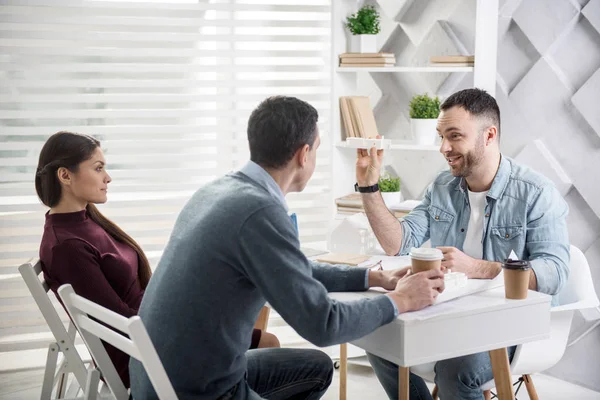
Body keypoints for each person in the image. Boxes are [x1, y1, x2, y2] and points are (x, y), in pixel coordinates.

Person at [130, 96, 445, 400]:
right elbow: (323, 324)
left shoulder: (220, 190)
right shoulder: (260, 211)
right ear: (303, 154)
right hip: (200, 390)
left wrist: (372, 278)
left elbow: (293, 271)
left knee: (316, 368)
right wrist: (401, 299)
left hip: (161, 376)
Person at [356, 88, 570, 400]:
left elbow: (555, 272)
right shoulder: (442, 186)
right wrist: (369, 186)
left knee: (458, 370)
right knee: (379, 336)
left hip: (510, 325)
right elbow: (397, 243)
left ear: (489, 135)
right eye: (441, 136)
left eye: (455, 136)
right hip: (449, 313)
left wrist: (479, 268)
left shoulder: (536, 193)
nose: (444, 147)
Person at [36, 131, 279, 388]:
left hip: (152, 333)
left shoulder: (85, 221)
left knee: (244, 309)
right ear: (65, 175)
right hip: (143, 354)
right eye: (98, 168)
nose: (108, 177)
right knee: (267, 341)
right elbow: (118, 321)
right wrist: (188, 320)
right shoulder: (67, 247)